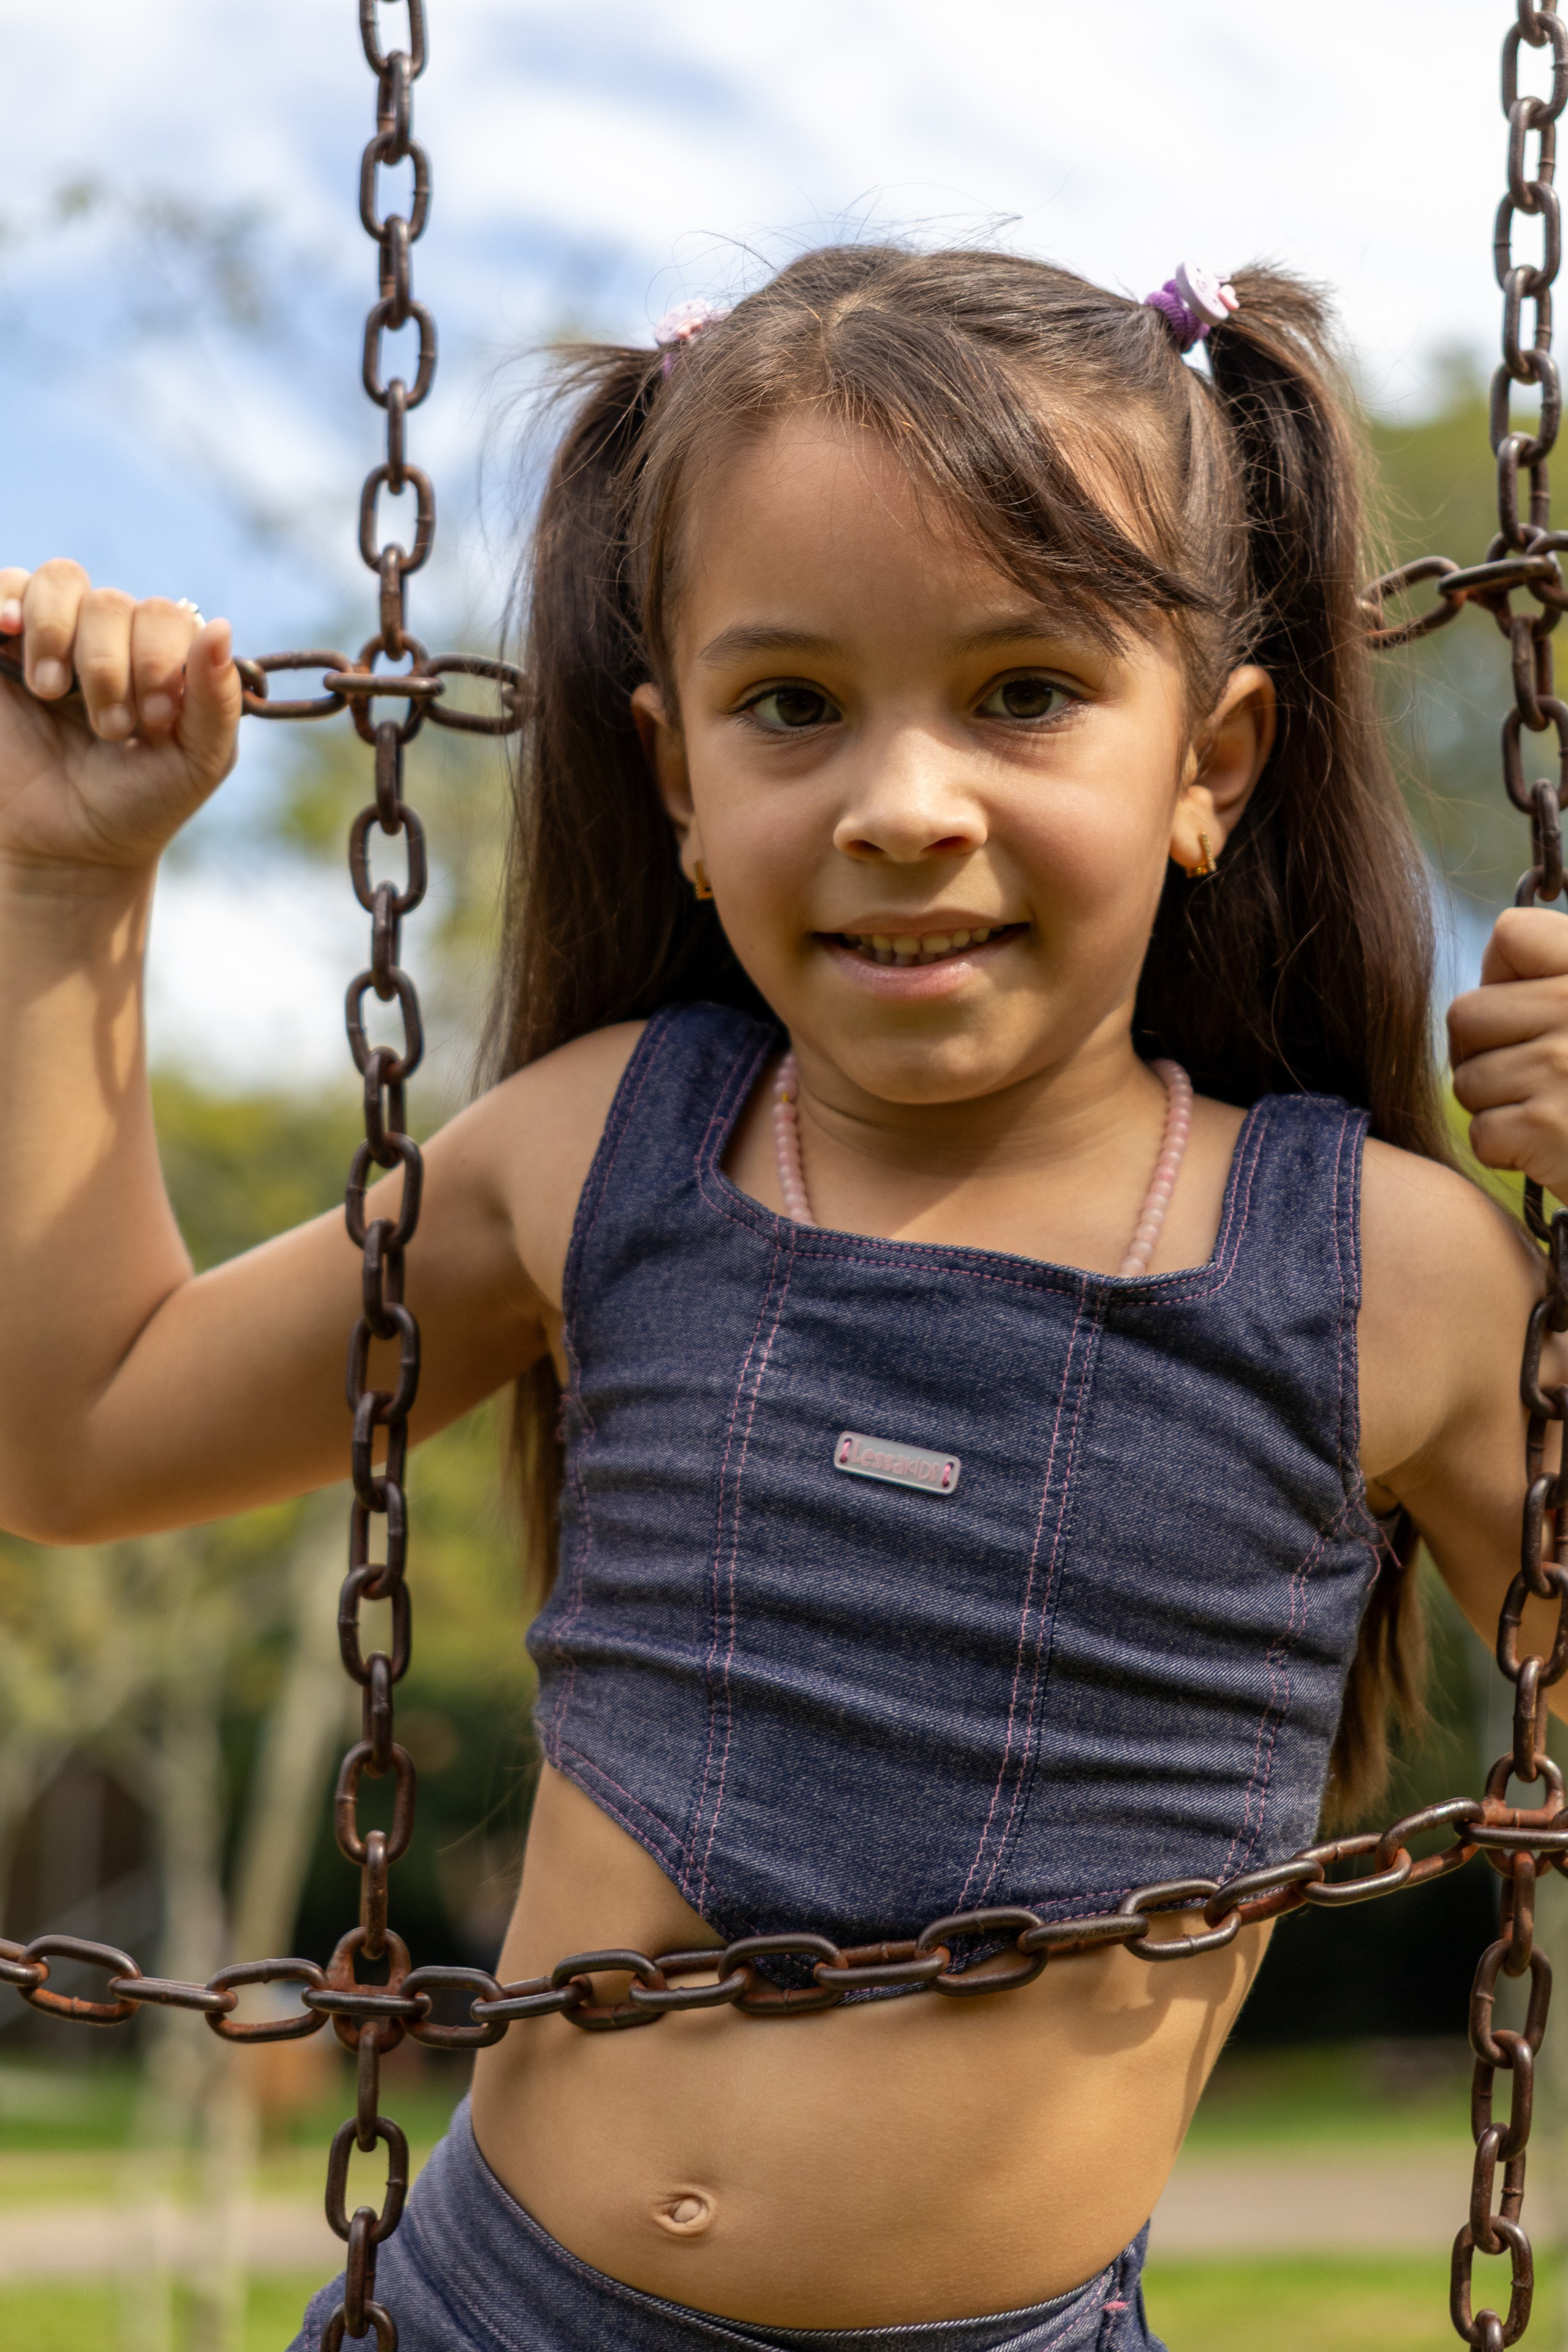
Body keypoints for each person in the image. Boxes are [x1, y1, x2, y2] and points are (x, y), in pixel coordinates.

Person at [0, 244, 1564, 2352]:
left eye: (1026, 692)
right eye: (793, 707)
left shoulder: (1385, 1270)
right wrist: (66, 888)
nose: (904, 809)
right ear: (680, 777)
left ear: (1212, 761)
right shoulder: (602, 1145)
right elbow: (88, 1433)